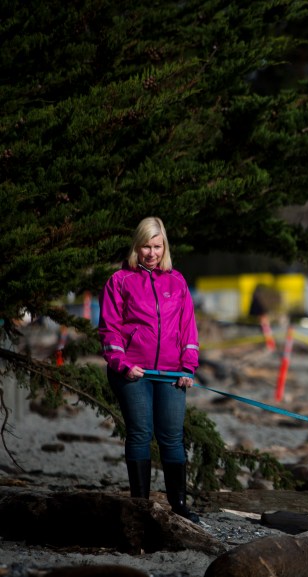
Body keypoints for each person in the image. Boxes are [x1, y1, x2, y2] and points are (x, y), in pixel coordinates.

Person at [98, 217, 201, 522]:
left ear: (164, 247)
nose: (152, 253)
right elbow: (109, 330)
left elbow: (188, 329)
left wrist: (188, 367)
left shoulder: (177, 281)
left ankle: (179, 505)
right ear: (136, 246)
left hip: (172, 374)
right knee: (140, 433)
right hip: (132, 373)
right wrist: (122, 364)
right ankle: (140, 504)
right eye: (146, 246)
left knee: (172, 437)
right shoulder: (119, 281)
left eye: (157, 246)